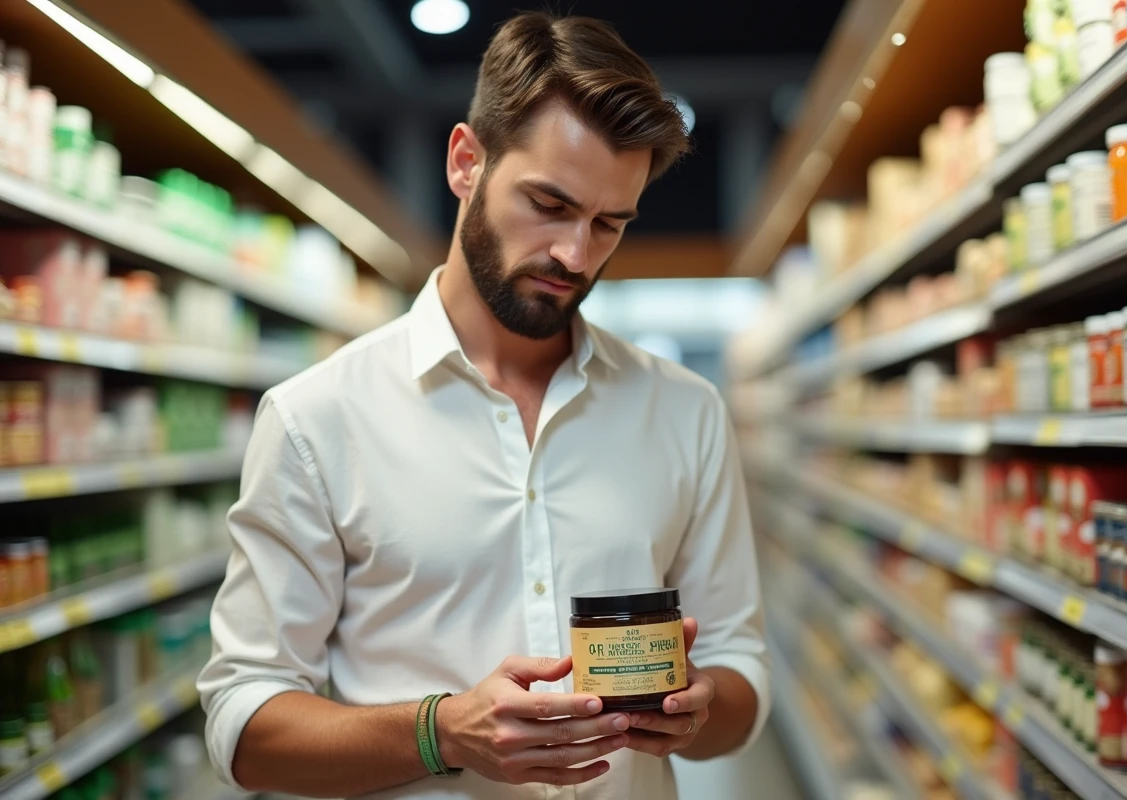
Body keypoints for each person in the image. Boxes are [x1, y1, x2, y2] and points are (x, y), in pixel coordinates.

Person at [198, 11, 767, 799]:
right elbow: (243, 723)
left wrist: (700, 710)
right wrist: (440, 733)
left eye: (609, 224)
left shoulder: (685, 412)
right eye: (549, 203)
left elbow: (741, 670)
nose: (575, 254)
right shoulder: (315, 419)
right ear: (467, 162)